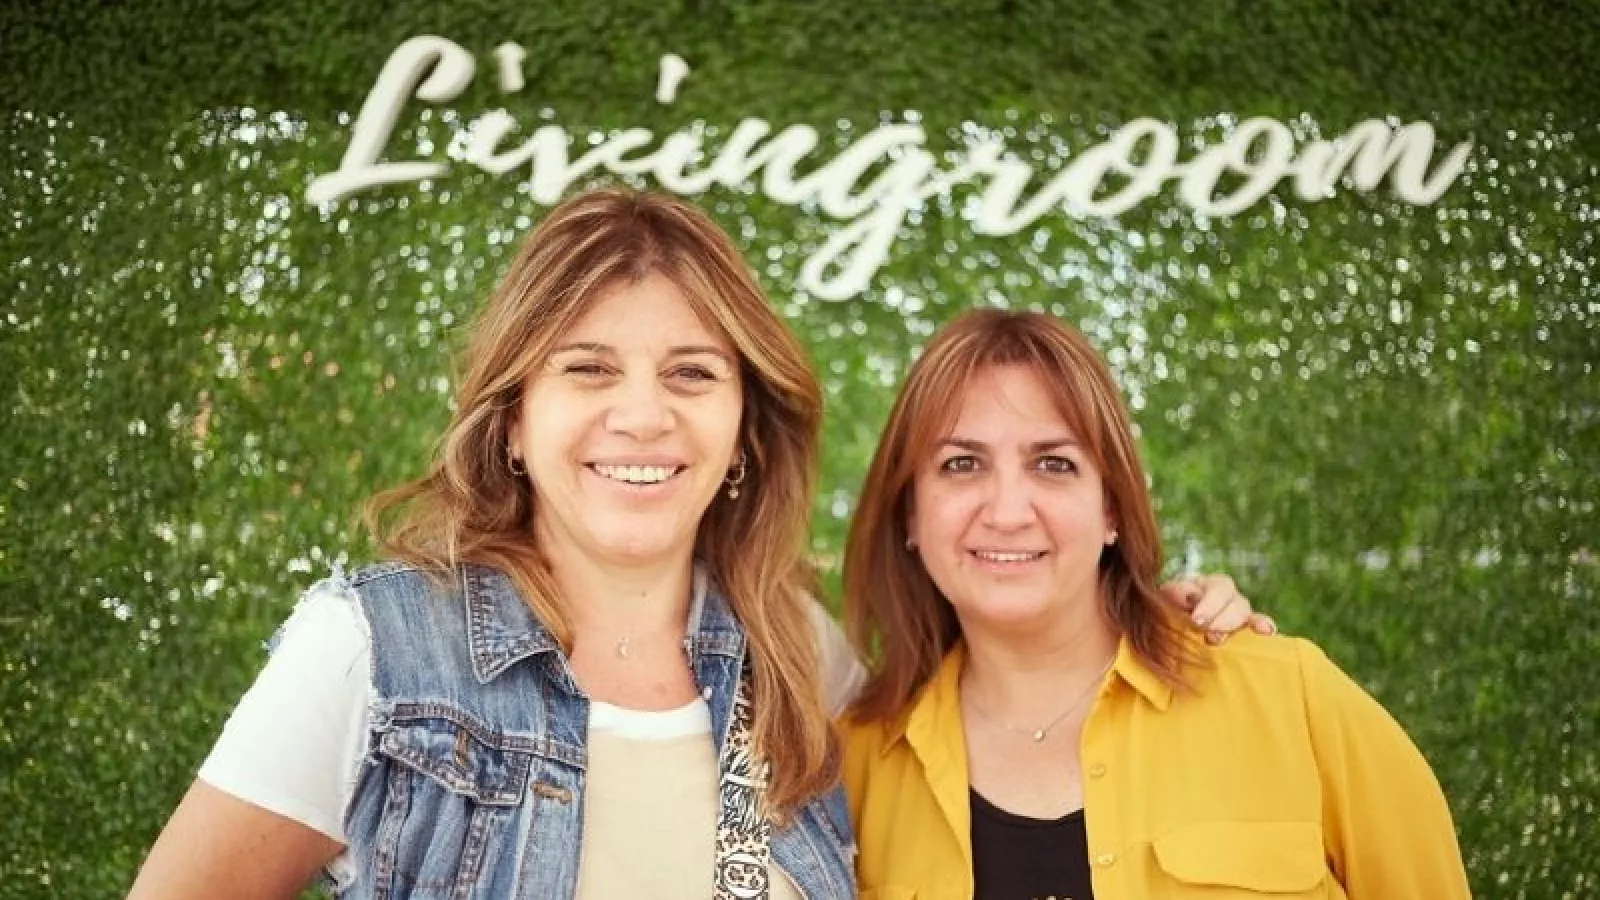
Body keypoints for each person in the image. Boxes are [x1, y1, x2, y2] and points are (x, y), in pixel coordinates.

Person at [127, 189, 1261, 900]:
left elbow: (1012, 721)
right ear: (513, 421)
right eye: (587, 369)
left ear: (743, 433)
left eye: (690, 373)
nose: (642, 416)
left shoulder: (801, 657)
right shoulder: (371, 650)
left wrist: (1155, 622)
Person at [839, 309, 1471, 900]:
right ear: (910, 512)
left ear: (1111, 509)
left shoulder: (1290, 698)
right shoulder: (855, 768)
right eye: (961, 464)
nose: (1007, 512)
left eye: (1053, 464)